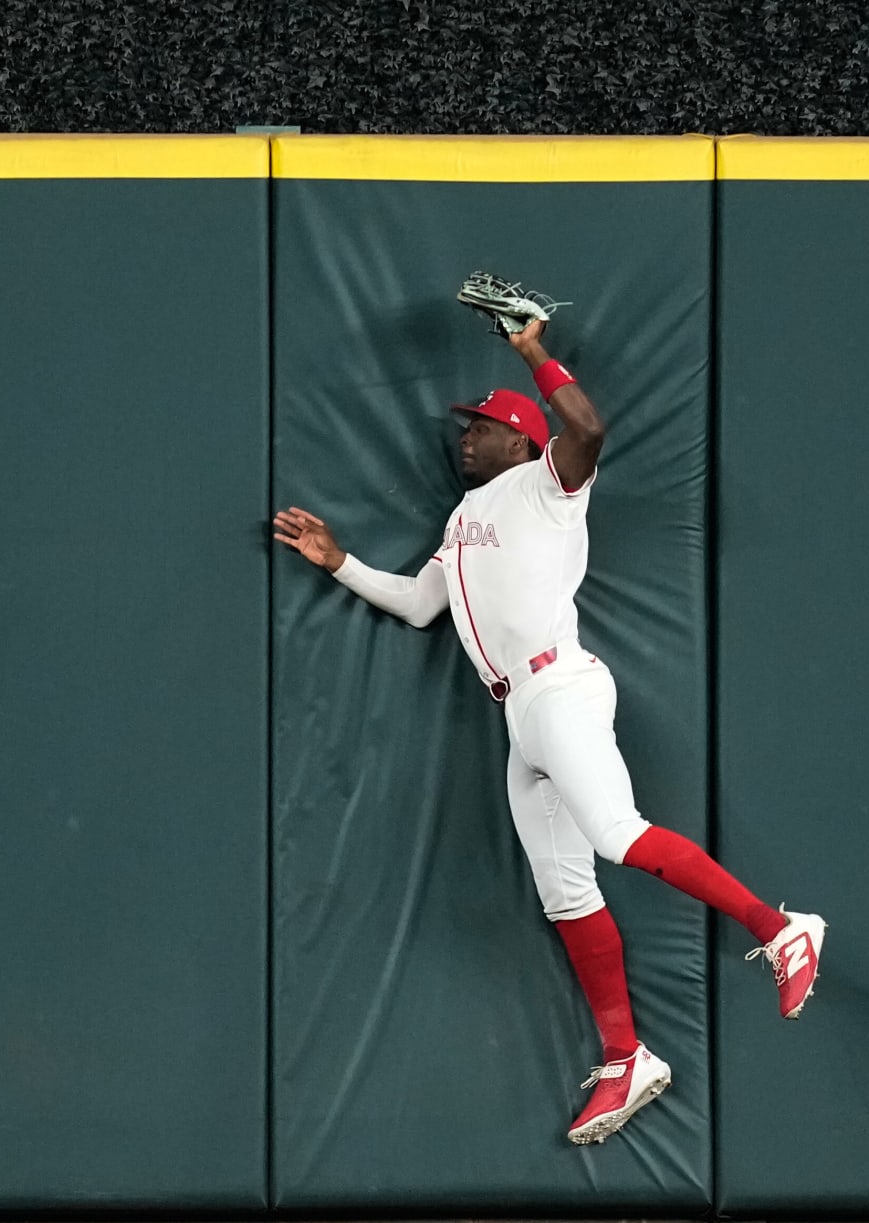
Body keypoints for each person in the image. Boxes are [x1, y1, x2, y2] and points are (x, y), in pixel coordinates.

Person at [272, 317, 825, 1147]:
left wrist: (530, 350)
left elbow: (589, 428)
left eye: (484, 426)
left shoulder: (548, 487)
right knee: (566, 894)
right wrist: (340, 563)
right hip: (518, 717)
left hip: (558, 684)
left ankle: (781, 930)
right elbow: (424, 606)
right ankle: (626, 1056)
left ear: (523, 441)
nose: (467, 435)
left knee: (616, 834)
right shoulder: (462, 520)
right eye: (468, 426)